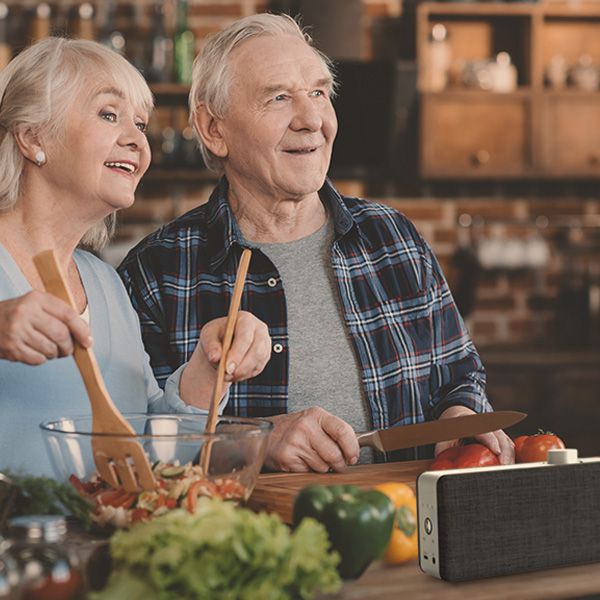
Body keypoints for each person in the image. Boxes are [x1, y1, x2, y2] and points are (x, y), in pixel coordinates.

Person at [119, 13, 515, 473]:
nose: (311, 120)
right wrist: (255, 443)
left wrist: (459, 417)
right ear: (213, 129)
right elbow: (140, 443)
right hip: (253, 540)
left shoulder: (394, 239)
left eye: (319, 93)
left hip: (410, 533)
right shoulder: (158, 272)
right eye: (279, 98)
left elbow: (459, 375)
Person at [0, 37, 271, 477]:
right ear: (32, 137)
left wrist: (208, 365)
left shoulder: (105, 283)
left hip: (104, 541)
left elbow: (150, 451)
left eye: (141, 125)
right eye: (109, 115)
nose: (135, 141)